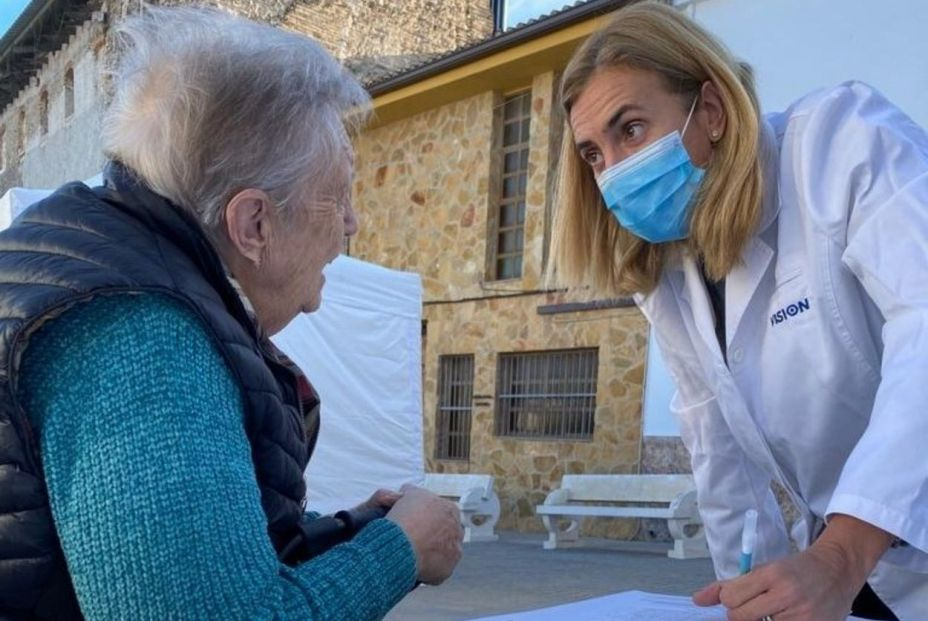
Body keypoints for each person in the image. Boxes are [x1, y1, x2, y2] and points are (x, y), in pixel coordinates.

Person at [0, 7, 462, 620]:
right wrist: (401, 548)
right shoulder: (141, 343)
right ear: (253, 224)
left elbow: (189, 562)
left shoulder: (103, 270)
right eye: (339, 198)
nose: (351, 225)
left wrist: (352, 531)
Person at [549, 3, 928, 620]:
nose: (615, 171)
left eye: (632, 129)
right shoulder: (669, 273)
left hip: (866, 553)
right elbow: (717, 449)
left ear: (713, 111)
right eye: (593, 154)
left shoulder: (842, 144)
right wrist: (746, 593)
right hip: (852, 575)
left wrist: (839, 555)